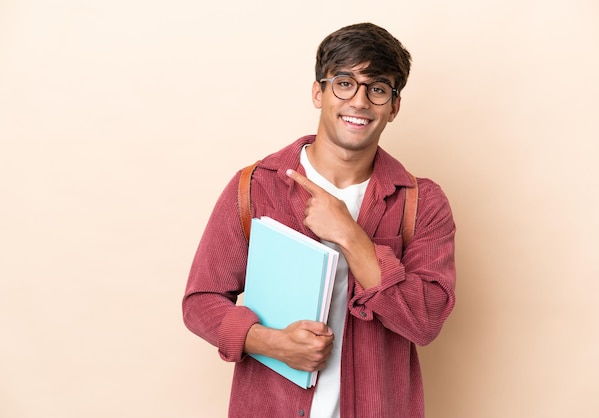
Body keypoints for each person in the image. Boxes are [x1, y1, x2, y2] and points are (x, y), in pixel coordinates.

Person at [182, 22, 456, 418]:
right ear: (319, 92)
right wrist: (269, 342)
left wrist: (350, 235)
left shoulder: (422, 202)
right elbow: (200, 302)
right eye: (345, 83)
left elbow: (426, 320)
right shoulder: (256, 187)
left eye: (377, 88)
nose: (360, 102)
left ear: (394, 106)